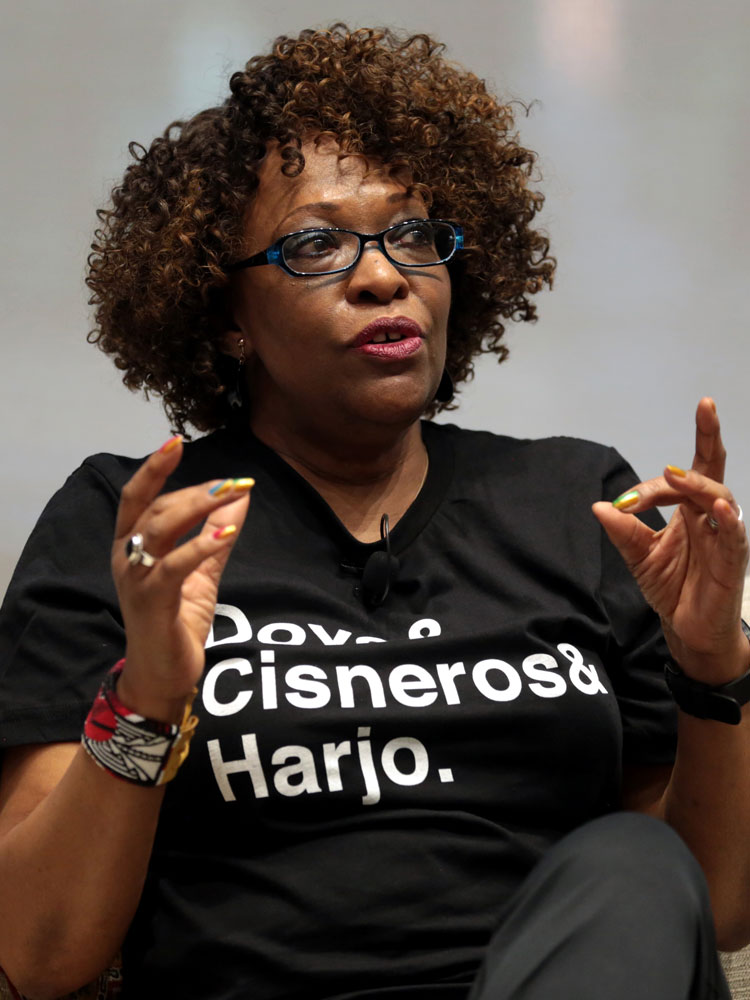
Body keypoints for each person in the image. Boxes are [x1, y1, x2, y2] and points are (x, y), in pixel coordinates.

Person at [0, 23, 747, 1000]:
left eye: (413, 235)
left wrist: (713, 663)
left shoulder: (576, 503)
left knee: (630, 861)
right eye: (316, 244)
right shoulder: (144, 529)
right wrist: (146, 697)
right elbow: (36, 955)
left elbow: (711, 905)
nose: (385, 275)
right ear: (225, 316)